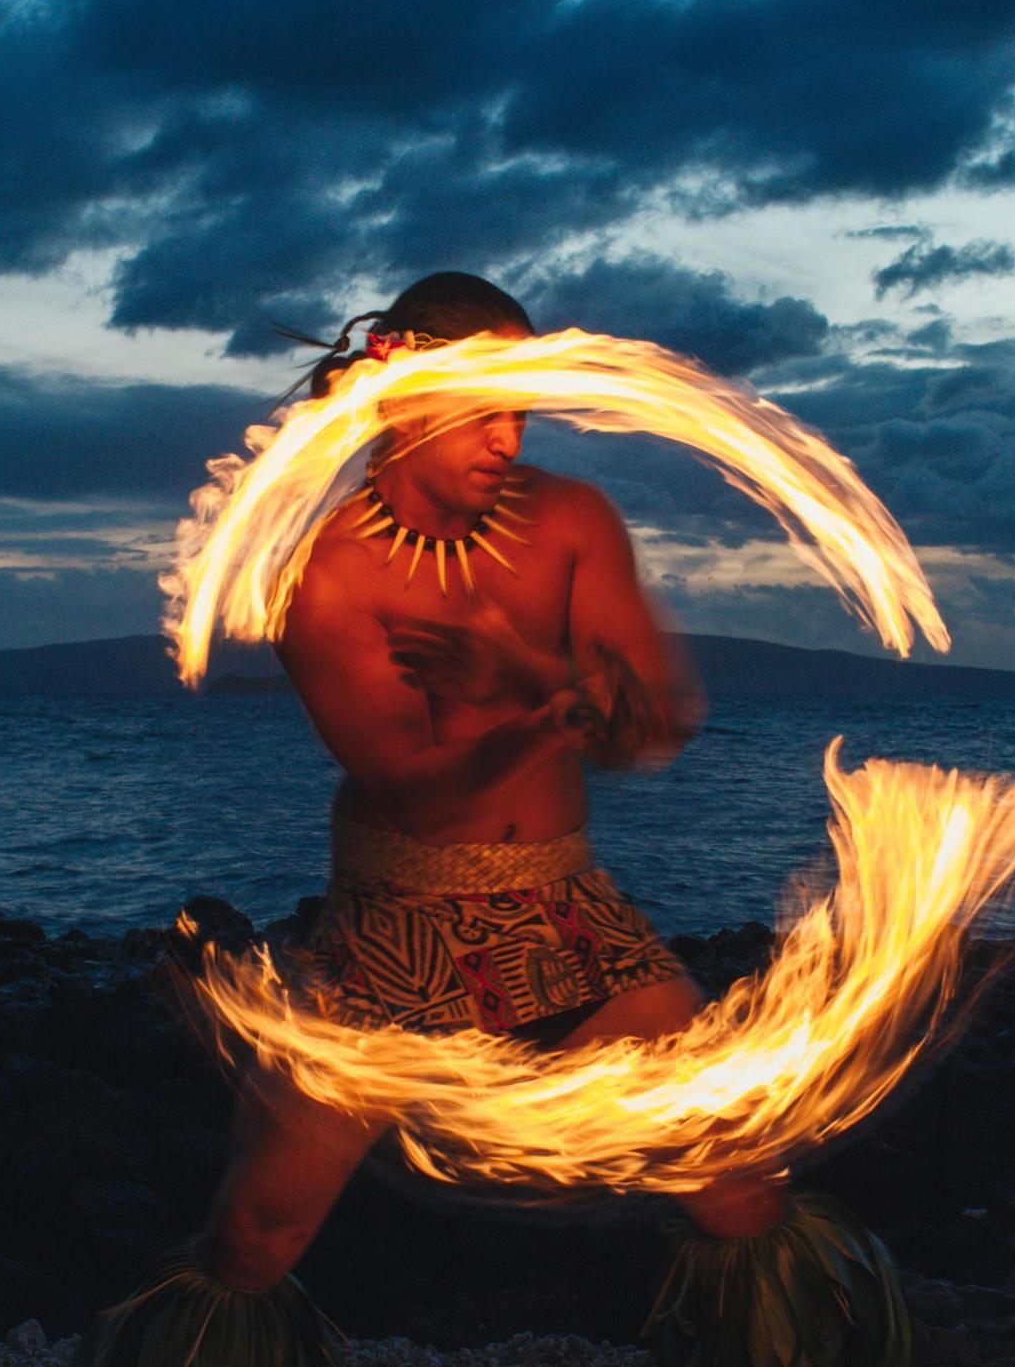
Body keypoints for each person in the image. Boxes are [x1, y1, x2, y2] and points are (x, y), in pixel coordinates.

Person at [77, 273, 910, 1367]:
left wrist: (526, 677)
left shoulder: (568, 523)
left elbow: (649, 723)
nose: (508, 437)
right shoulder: (323, 575)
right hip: (394, 933)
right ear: (401, 391)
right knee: (255, 1235)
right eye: (483, 409)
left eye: (522, 408)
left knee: (741, 1187)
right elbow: (415, 784)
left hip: (566, 913)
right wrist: (543, 704)